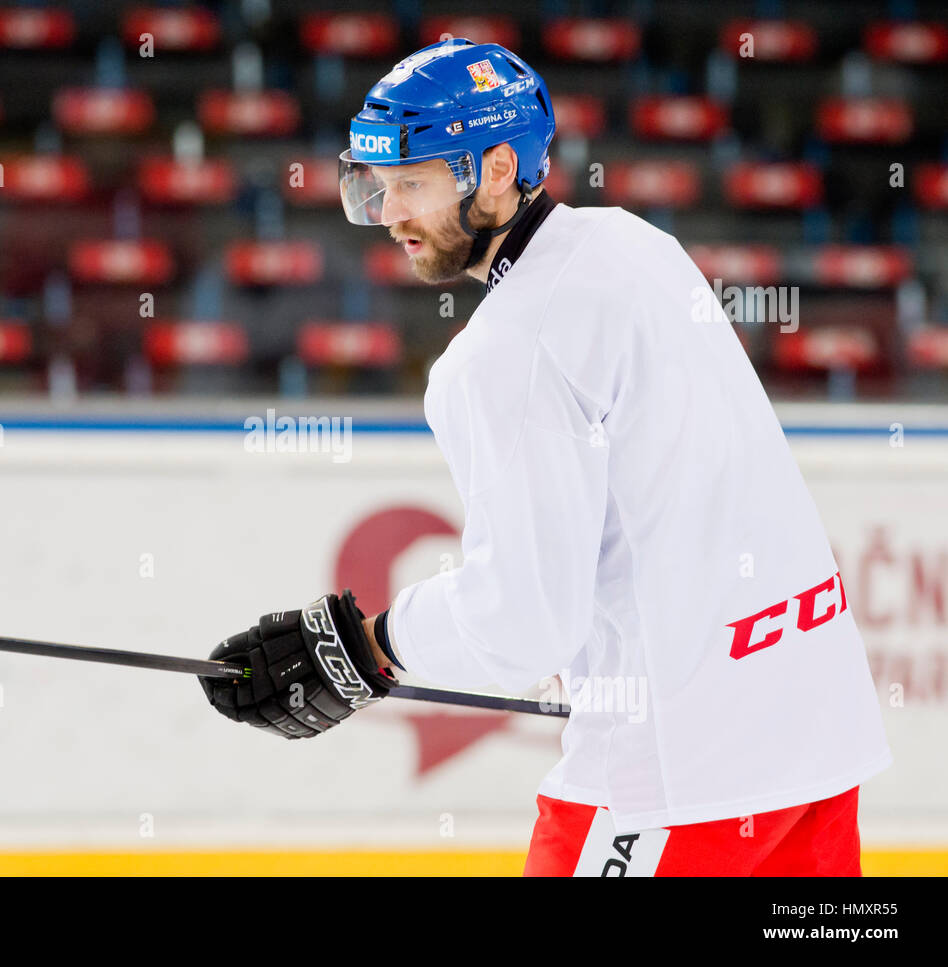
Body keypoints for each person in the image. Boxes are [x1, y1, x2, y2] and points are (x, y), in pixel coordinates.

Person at [198, 38, 891, 876]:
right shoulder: (635, 245)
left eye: (410, 181)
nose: (387, 213)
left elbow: (526, 619)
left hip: (678, 776)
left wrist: (362, 645)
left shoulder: (502, 357)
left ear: (496, 169)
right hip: (814, 734)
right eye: (376, 185)